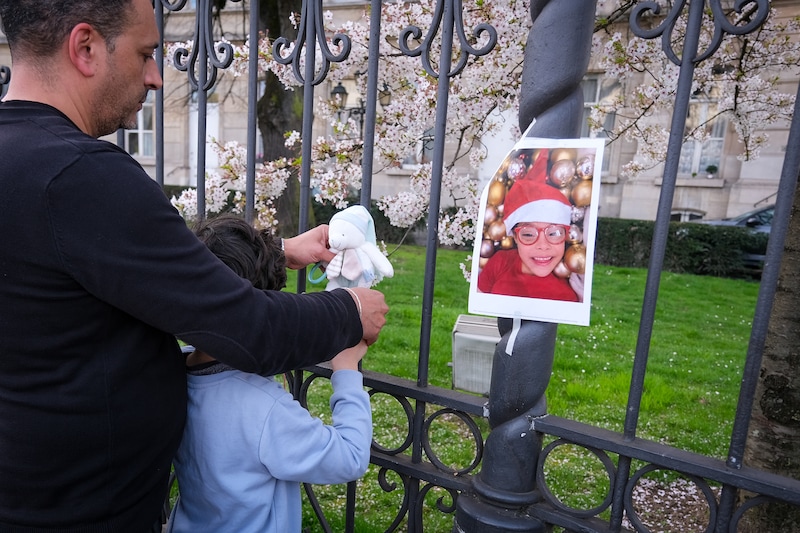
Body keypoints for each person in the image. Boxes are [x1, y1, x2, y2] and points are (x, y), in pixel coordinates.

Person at [0, 1, 388, 532]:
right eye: (146, 54)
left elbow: (141, 268)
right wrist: (350, 311)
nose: (158, 77)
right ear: (85, 47)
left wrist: (277, 253)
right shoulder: (80, 176)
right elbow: (250, 327)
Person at [167, 214, 373, 533]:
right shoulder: (262, 409)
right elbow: (350, 457)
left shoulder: (171, 376)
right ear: (265, 306)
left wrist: (280, 250)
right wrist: (346, 369)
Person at [477, 151, 580, 302]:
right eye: (528, 234)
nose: (543, 246)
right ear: (515, 236)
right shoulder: (500, 262)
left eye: (553, 233)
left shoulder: (566, 297)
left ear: (566, 235)